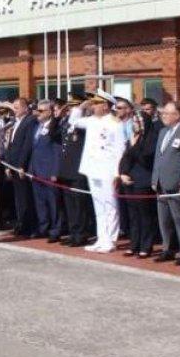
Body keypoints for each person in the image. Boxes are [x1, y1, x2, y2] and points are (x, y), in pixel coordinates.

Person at [74, 90, 126, 253]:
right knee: (98, 206)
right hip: (92, 168)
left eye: (96, 103)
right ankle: (101, 238)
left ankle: (110, 240)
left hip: (107, 170)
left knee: (110, 206)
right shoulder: (91, 121)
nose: (93, 106)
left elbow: (120, 149)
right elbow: (73, 121)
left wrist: (117, 173)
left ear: (105, 106)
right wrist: (81, 106)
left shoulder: (115, 124)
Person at [151, 101, 180, 265]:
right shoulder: (163, 132)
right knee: (164, 219)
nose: (163, 116)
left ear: (177, 115)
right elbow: (158, 157)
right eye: (163, 113)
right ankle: (167, 248)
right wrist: (155, 178)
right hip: (161, 183)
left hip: (177, 182)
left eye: (167, 113)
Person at [118, 106, 159, 258]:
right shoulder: (133, 137)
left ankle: (146, 246)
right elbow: (125, 157)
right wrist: (122, 173)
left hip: (143, 179)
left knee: (145, 215)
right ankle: (134, 244)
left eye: (138, 121)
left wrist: (134, 146)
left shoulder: (152, 137)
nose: (135, 124)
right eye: (134, 121)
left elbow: (145, 158)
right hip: (130, 179)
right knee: (133, 215)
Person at [57, 91, 94, 248]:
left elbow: (75, 120)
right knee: (70, 205)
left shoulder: (86, 122)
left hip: (79, 170)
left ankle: (81, 234)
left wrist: (81, 108)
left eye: (74, 105)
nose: (71, 108)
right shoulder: (71, 122)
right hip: (68, 170)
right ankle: (73, 232)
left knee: (79, 205)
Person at [2, 97, 39, 238]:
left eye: (17, 107)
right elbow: (11, 146)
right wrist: (8, 165)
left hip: (21, 167)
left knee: (25, 199)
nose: (14, 110)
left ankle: (27, 227)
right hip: (13, 165)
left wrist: (21, 165)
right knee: (18, 199)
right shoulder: (15, 123)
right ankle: (20, 224)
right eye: (14, 107)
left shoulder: (29, 121)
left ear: (25, 108)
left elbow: (26, 145)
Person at [28, 99, 64, 240]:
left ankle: (55, 230)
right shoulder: (37, 126)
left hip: (49, 172)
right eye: (37, 110)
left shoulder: (55, 127)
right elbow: (34, 150)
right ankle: (43, 227)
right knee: (40, 202)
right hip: (37, 171)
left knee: (53, 203)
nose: (38, 113)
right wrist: (31, 169)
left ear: (50, 112)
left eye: (41, 111)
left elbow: (57, 151)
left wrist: (55, 171)